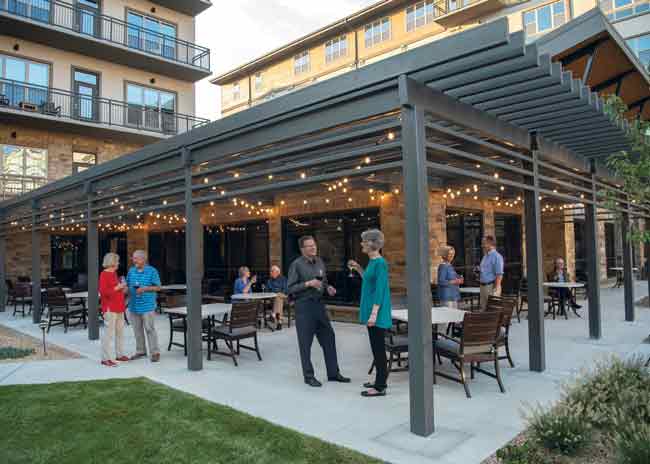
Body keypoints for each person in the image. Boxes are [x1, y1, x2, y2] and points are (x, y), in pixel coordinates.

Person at [287, 235, 350, 387]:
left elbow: (323, 281)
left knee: (329, 338)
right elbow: (290, 288)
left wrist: (328, 288)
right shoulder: (296, 265)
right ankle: (309, 376)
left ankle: (333, 373)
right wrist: (308, 283)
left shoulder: (320, 262)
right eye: (309, 246)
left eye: (314, 245)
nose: (313, 248)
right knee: (305, 344)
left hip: (319, 306)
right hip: (304, 307)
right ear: (302, 249)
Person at [348, 229, 392, 397]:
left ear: (372, 244)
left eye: (364, 241)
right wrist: (358, 267)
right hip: (371, 310)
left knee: (379, 349)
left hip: (377, 312)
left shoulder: (380, 263)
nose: (362, 244)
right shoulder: (372, 262)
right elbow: (368, 278)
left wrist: (374, 314)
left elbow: (380, 290)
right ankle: (379, 381)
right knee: (375, 348)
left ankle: (380, 386)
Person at [126, 250, 162, 362]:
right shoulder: (131, 271)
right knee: (137, 330)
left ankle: (155, 352)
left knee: (149, 329)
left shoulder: (152, 271)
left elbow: (158, 287)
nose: (134, 260)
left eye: (136, 258)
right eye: (133, 258)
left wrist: (145, 289)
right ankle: (140, 351)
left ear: (143, 259)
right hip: (134, 305)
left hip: (148, 306)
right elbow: (127, 286)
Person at [99, 252, 128, 367]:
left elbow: (116, 290)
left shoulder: (114, 273)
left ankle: (119, 354)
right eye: (117, 261)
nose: (118, 263)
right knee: (109, 334)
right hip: (110, 308)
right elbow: (104, 292)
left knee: (120, 332)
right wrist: (118, 287)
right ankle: (105, 358)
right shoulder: (104, 274)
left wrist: (122, 288)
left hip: (119, 307)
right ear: (112, 262)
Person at [479, 235, 504, 311]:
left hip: (491, 286)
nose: (482, 245)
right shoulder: (485, 256)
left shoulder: (497, 257)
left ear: (490, 243)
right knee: (484, 309)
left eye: (484, 243)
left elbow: (499, 274)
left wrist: (495, 290)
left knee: (492, 311)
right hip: (483, 287)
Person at [267, 265, 288, 330]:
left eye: (272, 271)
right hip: (273, 298)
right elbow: (268, 291)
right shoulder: (269, 280)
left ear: (277, 272)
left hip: (284, 297)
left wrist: (278, 293)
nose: (270, 273)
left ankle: (273, 315)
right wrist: (277, 293)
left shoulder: (283, 279)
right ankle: (279, 322)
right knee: (278, 299)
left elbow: (285, 290)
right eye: (270, 271)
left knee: (279, 297)